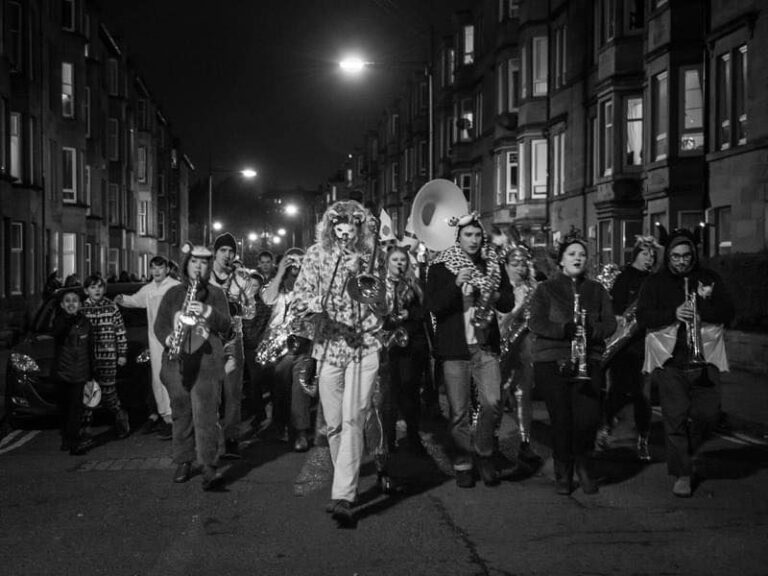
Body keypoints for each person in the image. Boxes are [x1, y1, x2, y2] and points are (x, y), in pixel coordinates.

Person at [292, 200, 383, 527]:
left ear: (360, 228)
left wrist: (365, 275)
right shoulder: (315, 254)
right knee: (333, 424)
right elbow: (299, 299)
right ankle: (345, 477)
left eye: (351, 227)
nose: (345, 233)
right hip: (330, 345)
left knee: (353, 418)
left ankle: (344, 494)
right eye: (339, 227)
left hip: (364, 344)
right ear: (330, 228)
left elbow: (385, 304)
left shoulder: (372, 254)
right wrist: (320, 302)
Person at [636, 228, 734, 497]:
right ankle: (682, 473)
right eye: (675, 256)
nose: (681, 261)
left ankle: (687, 452)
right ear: (668, 256)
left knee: (708, 415)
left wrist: (703, 311)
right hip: (671, 361)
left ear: (693, 255)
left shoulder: (709, 278)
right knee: (675, 419)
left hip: (705, 360)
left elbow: (728, 311)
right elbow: (643, 317)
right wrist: (674, 313)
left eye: (686, 256)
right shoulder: (655, 283)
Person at [425, 213, 514, 488]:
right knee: (459, 411)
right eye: (468, 235)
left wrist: (494, 294)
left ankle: (484, 452)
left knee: (493, 401)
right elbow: (433, 306)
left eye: (477, 235)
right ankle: (463, 462)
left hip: (485, 345)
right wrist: (455, 285)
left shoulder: (492, 264)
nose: (473, 240)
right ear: (458, 238)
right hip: (455, 348)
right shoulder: (441, 266)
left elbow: (508, 302)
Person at [528, 235, 616, 495]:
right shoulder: (545, 289)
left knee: (587, 418)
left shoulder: (596, 290)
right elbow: (536, 322)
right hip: (553, 360)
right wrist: (564, 329)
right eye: (572, 254)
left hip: (588, 360)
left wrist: (591, 330)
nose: (578, 258)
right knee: (562, 419)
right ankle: (563, 471)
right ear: (561, 261)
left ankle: (583, 462)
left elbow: (610, 324)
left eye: (582, 254)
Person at [154, 242, 232, 491]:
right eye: (194, 262)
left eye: (204, 262)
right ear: (186, 264)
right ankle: (184, 460)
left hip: (206, 361)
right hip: (176, 361)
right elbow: (160, 325)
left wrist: (208, 311)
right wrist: (168, 338)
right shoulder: (173, 294)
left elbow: (227, 326)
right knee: (182, 411)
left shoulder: (216, 294)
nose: (199, 267)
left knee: (206, 414)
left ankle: (209, 466)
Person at [597, 237, 659, 460]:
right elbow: (615, 308)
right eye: (645, 254)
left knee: (643, 395)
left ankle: (643, 439)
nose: (649, 258)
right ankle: (606, 428)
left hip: (644, 345)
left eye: (652, 255)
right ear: (636, 255)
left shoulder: (654, 281)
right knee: (617, 391)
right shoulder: (624, 278)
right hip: (624, 346)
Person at [115, 256, 181, 439]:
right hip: (155, 341)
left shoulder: (175, 287)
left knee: (173, 377)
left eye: (160, 268)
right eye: (153, 268)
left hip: (173, 338)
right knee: (158, 378)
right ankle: (166, 417)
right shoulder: (149, 289)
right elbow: (136, 300)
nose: (156, 271)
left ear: (167, 269)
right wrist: (122, 299)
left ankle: (176, 417)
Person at [261, 247, 314, 452]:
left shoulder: (311, 284)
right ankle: (280, 425)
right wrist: (280, 272)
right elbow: (267, 299)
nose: (295, 263)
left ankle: (301, 432)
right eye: (291, 259)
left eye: (300, 259)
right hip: (279, 345)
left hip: (303, 341)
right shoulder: (278, 285)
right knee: (280, 388)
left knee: (300, 387)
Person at [209, 232, 252, 458]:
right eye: (223, 250)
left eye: (231, 251)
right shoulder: (204, 278)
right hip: (209, 339)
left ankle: (232, 436)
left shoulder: (241, 279)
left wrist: (238, 307)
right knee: (209, 393)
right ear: (215, 252)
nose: (227, 255)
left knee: (232, 391)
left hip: (233, 338)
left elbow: (251, 310)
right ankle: (211, 439)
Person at [498, 242, 542, 466]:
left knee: (523, 394)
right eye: (515, 264)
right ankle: (491, 442)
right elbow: (500, 322)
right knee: (499, 394)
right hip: (503, 347)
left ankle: (525, 442)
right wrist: (518, 306)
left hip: (525, 348)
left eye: (523, 264)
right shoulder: (500, 289)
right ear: (505, 265)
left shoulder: (533, 287)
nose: (520, 268)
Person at [381, 245, 428, 454]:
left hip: (410, 344)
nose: (399, 263)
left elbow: (425, 310)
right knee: (389, 394)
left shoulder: (414, 284)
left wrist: (410, 314)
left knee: (410, 391)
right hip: (388, 344)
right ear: (387, 263)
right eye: (395, 260)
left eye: (402, 260)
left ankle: (413, 435)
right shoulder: (381, 285)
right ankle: (388, 439)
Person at [81, 274, 130, 439]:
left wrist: (122, 353)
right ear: (86, 291)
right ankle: (85, 428)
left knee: (108, 392)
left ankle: (120, 416)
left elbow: (120, 331)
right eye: (92, 287)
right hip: (88, 359)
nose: (97, 290)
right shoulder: (82, 309)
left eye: (100, 287)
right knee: (89, 392)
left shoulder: (111, 307)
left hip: (107, 357)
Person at [52, 286, 95, 455]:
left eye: (75, 301)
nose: (71, 304)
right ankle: (66, 438)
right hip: (63, 373)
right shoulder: (59, 321)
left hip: (80, 373)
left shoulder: (86, 323)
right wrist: (68, 319)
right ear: (62, 305)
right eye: (67, 301)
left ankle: (73, 442)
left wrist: (92, 373)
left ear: (80, 304)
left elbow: (90, 348)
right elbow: (57, 334)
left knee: (76, 410)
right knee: (64, 409)